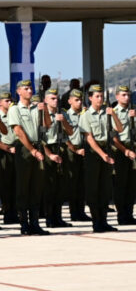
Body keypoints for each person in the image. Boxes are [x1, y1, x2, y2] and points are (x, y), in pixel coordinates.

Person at [7, 80, 50, 235]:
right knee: (23, 187)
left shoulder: (36, 107)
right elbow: (18, 131)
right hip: (24, 149)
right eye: (26, 88)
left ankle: (35, 222)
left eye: (31, 88)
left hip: (38, 146)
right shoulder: (15, 109)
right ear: (19, 91)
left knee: (36, 187)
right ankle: (24, 223)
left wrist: (44, 110)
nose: (30, 91)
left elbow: (48, 125)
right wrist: (32, 150)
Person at [78, 84, 121, 232]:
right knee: (93, 189)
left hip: (106, 149)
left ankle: (104, 221)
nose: (100, 99)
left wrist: (113, 114)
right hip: (94, 153)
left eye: (102, 96)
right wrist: (103, 155)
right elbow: (89, 138)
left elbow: (119, 129)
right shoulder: (86, 115)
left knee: (105, 188)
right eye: (97, 96)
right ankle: (96, 222)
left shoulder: (107, 113)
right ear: (90, 98)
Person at [41, 88, 71, 228]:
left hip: (61, 148)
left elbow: (70, 131)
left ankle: (58, 217)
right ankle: (49, 218)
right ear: (46, 100)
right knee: (49, 186)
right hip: (48, 149)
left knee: (60, 186)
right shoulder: (41, 114)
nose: (56, 100)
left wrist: (63, 121)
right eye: (52, 98)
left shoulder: (62, 113)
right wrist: (49, 154)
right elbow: (41, 139)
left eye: (57, 98)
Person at [62, 89, 90, 222]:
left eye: (81, 100)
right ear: (70, 101)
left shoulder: (85, 114)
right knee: (73, 183)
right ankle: (74, 212)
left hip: (85, 149)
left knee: (82, 183)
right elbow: (64, 137)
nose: (79, 103)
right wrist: (74, 149)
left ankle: (81, 211)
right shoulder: (66, 116)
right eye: (77, 100)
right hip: (72, 150)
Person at [110, 85, 136, 225]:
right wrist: (125, 150)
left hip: (133, 148)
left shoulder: (133, 111)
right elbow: (114, 138)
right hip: (120, 150)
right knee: (121, 184)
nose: (127, 97)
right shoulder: (114, 113)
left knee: (131, 184)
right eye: (124, 95)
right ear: (117, 96)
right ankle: (121, 215)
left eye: (128, 95)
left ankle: (129, 213)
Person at [0, 92, 19, 225]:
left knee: (15, 184)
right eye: (6, 101)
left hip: (15, 150)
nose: (9, 103)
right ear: (0, 102)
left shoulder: (13, 115)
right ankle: (6, 211)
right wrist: (7, 148)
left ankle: (14, 212)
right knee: (5, 184)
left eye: (10, 101)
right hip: (3, 152)